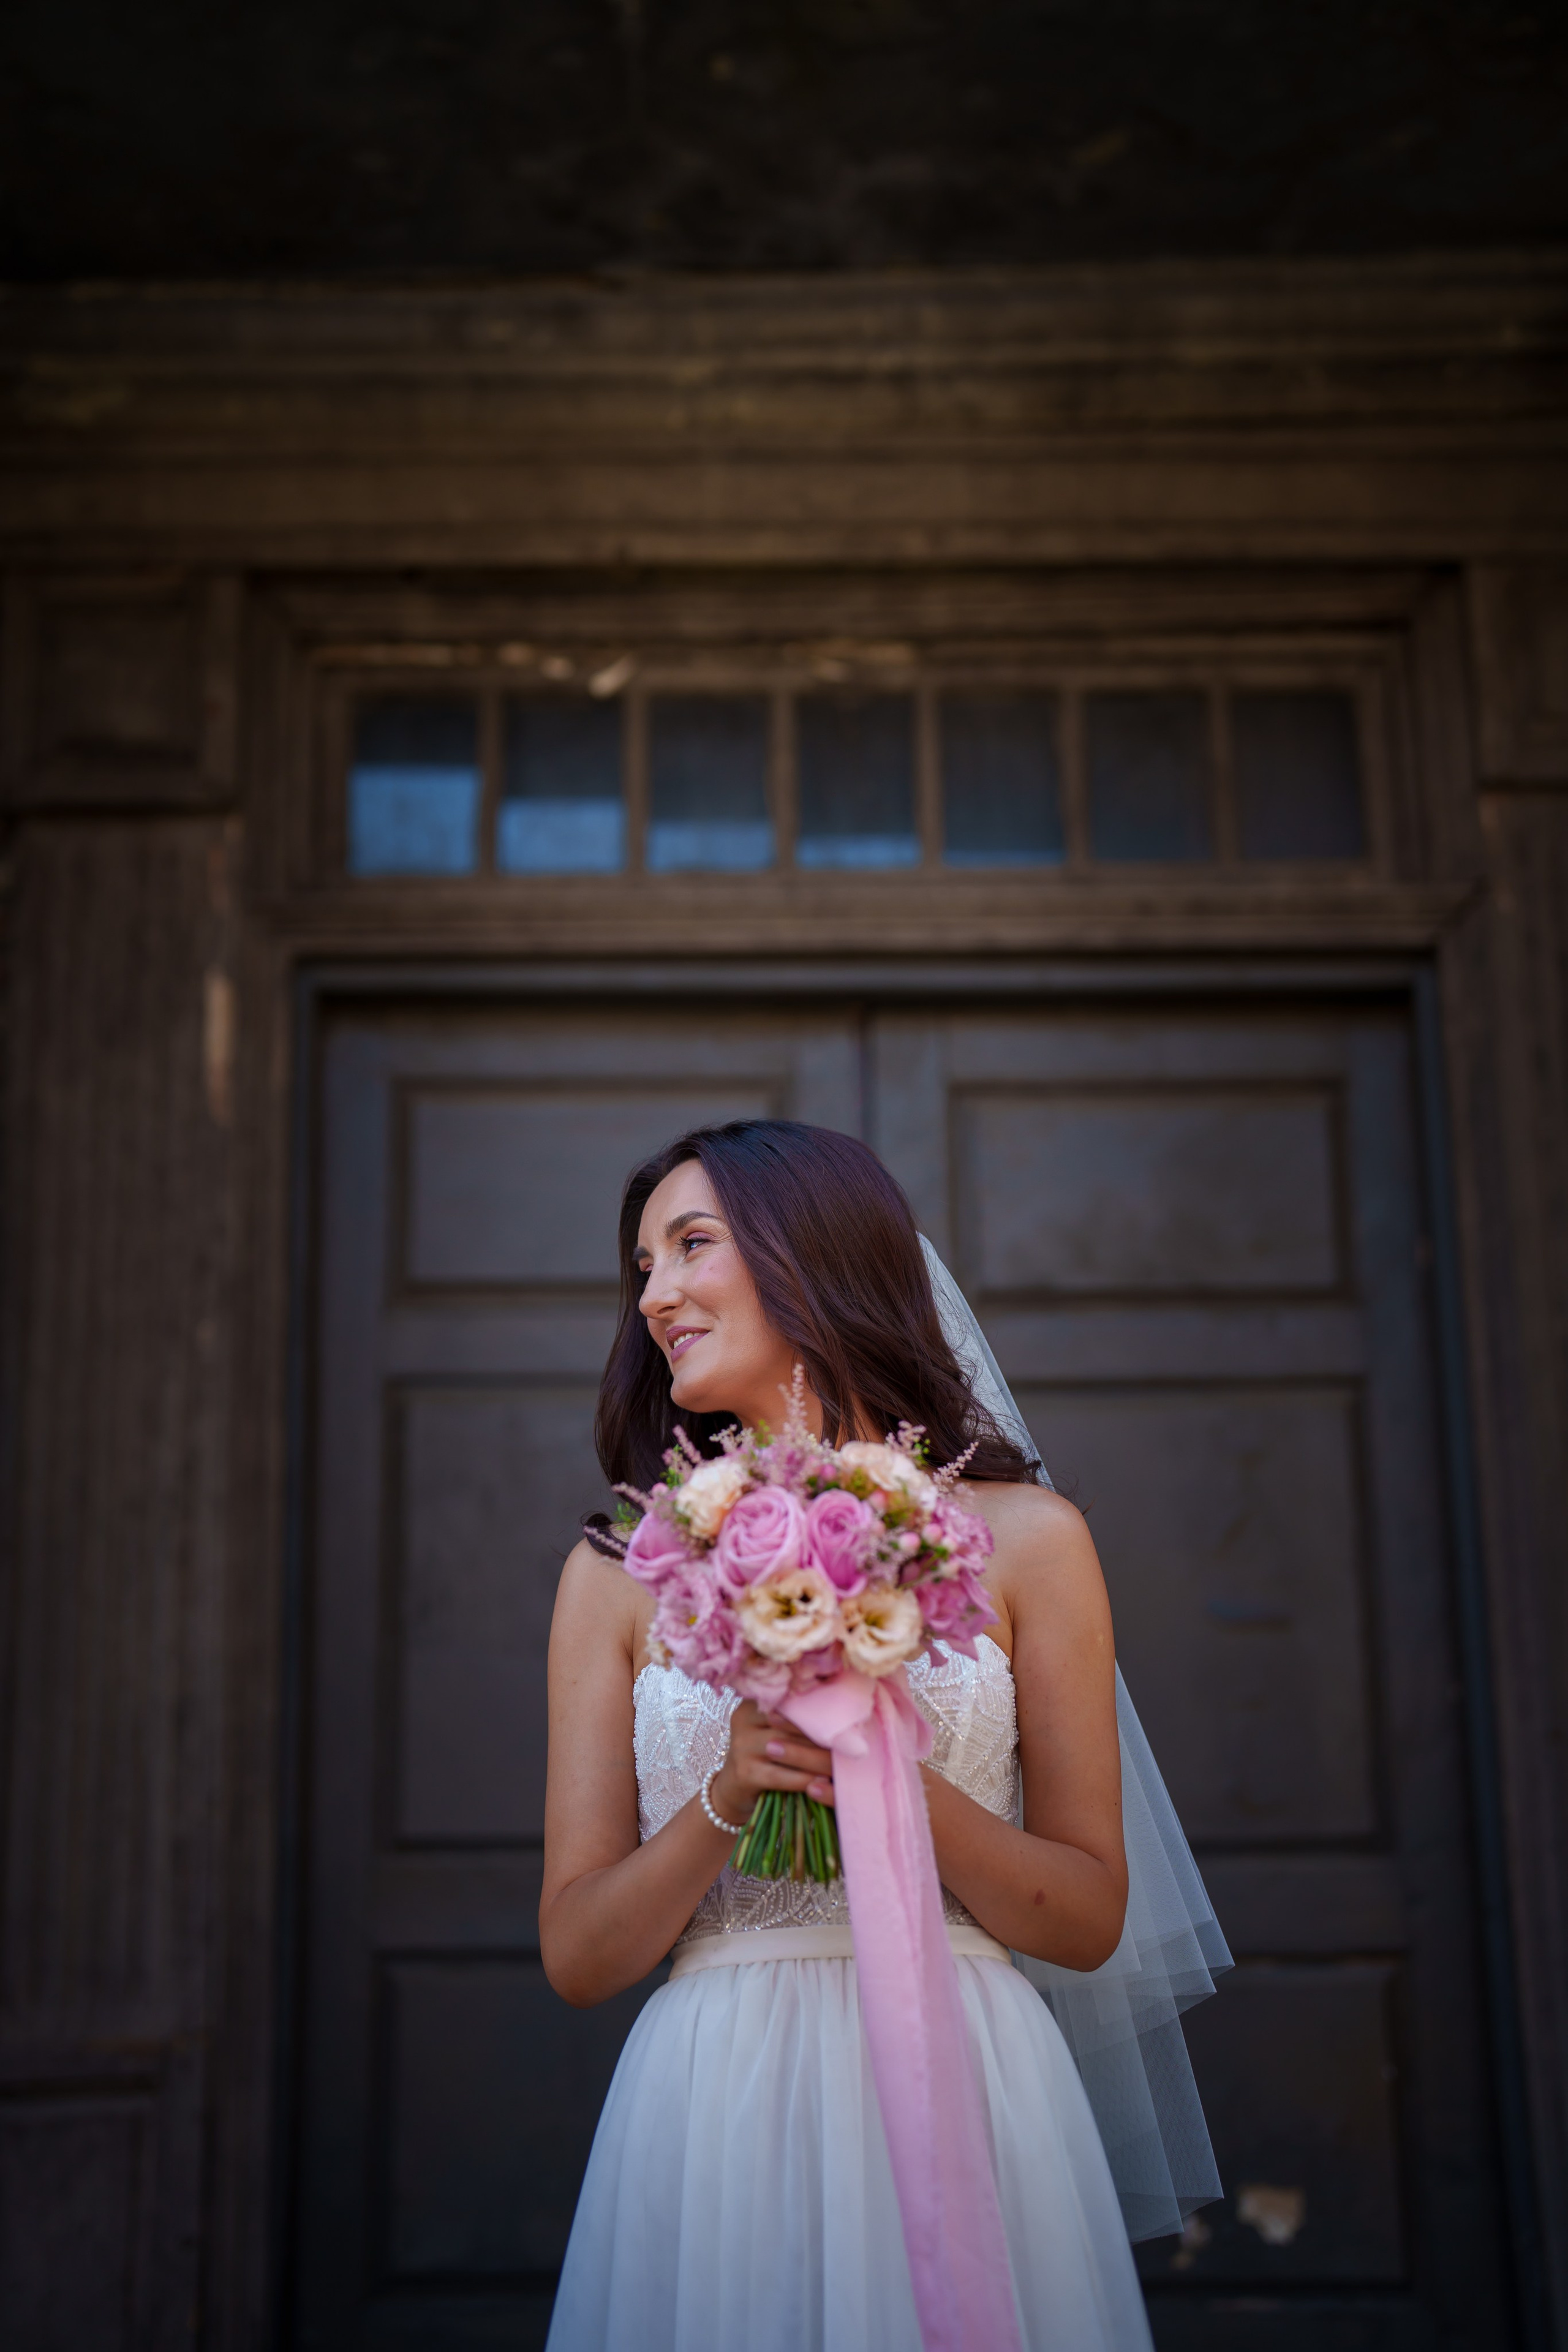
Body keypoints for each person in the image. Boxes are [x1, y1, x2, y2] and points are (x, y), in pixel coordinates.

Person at [541, 1120, 1225, 2352]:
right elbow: (580, 1956)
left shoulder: (1028, 1540)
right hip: (715, 2105)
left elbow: (1082, 1918)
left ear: (809, 1253)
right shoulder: (617, 1577)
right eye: (639, 1265)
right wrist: (734, 1789)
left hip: (971, 2078)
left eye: (688, 1245)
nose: (653, 1295)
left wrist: (886, 1769)